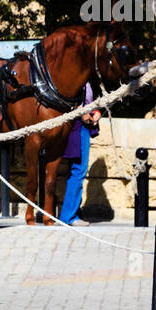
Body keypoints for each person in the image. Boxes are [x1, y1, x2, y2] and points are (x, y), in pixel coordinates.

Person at [58, 83, 101, 225]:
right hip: (76, 127)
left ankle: (73, 212)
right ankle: (69, 216)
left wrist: (96, 113)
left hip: (83, 127)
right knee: (79, 170)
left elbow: (90, 102)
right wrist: (82, 112)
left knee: (77, 171)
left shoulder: (89, 82)